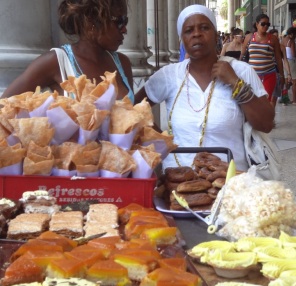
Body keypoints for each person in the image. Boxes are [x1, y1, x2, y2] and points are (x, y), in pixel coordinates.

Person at [134, 4, 274, 172]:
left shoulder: (241, 71)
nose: (196, 34)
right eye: (188, 31)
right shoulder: (169, 75)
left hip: (231, 182)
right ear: (182, 40)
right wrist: (162, 142)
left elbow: (266, 123)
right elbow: (132, 110)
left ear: (216, 36)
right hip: (179, 181)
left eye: (204, 28)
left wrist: (236, 83)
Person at [1, 0, 134, 103]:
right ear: (92, 22)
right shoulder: (55, 62)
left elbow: (137, 120)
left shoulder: (122, 64)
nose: (125, 30)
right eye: (120, 22)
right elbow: (4, 106)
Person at [240, 14, 285, 101]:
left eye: (267, 24)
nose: (265, 26)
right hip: (252, 75)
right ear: (257, 24)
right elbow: (242, 55)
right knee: (253, 100)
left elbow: (278, 58)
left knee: (265, 100)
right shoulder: (249, 37)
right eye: (263, 24)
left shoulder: (273, 39)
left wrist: (282, 76)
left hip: (269, 74)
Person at [269, 29, 291, 109]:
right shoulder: (267, 45)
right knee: (268, 97)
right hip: (268, 72)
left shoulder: (281, 47)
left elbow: (285, 60)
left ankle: (271, 116)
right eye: (274, 36)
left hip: (277, 73)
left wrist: (288, 73)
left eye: (277, 36)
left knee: (274, 97)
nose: (276, 38)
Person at [281, 27, 296, 105]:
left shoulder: (283, 40)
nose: (295, 37)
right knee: (295, 81)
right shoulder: (291, 41)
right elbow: (293, 54)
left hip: (284, 61)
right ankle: (294, 100)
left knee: (286, 80)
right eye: (295, 35)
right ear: (292, 34)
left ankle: (285, 99)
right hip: (291, 62)